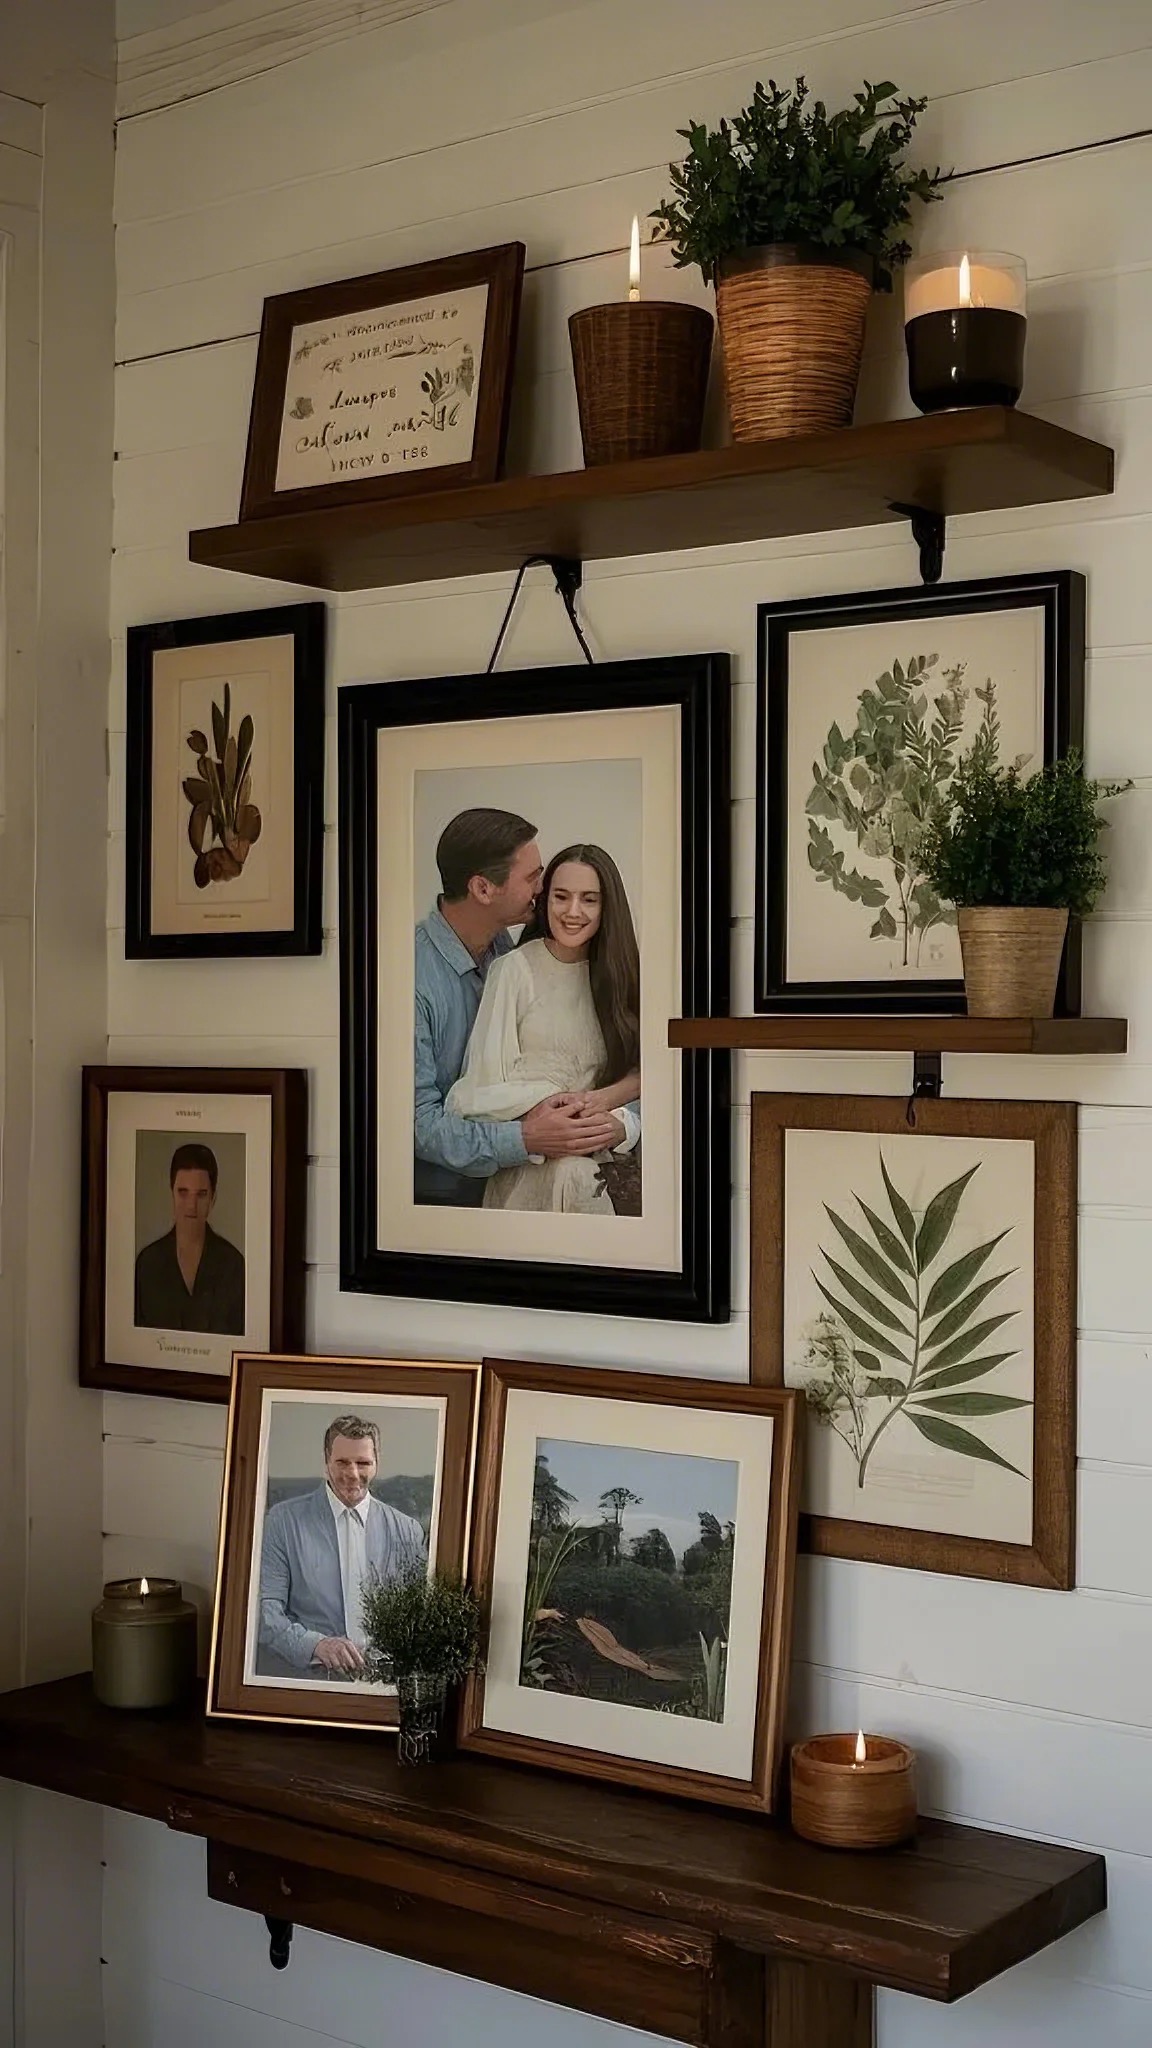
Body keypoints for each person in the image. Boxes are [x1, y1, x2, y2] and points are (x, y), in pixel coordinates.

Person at [414, 807, 627, 1205]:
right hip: (438, 1198)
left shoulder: (506, 949)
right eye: (533, 877)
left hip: (541, 1168)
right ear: (482, 889)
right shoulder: (412, 979)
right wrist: (528, 1136)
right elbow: (418, 1125)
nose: (544, 887)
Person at [256, 1413, 427, 1679]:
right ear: (326, 1462)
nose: (353, 1473)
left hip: (384, 1684)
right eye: (342, 1462)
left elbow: (418, 1618)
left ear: (376, 1464)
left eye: (363, 1463)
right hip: (310, 1680)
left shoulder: (408, 1531)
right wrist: (316, 1645)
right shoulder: (282, 1521)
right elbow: (265, 1612)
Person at [134, 1141, 245, 1335]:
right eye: (183, 1193)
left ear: (213, 1199)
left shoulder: (234, 1265)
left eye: (201, 1195)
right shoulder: (148, 1264)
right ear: (172, 1194)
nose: (191, 1206)